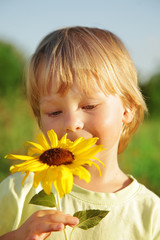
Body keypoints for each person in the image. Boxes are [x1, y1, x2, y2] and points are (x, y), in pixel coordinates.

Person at [0, 26, 160, 240]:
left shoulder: (150, 214)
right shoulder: (20, 190)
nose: (71, 123)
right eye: (54, 111)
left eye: (89, 106)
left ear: (127, 109)